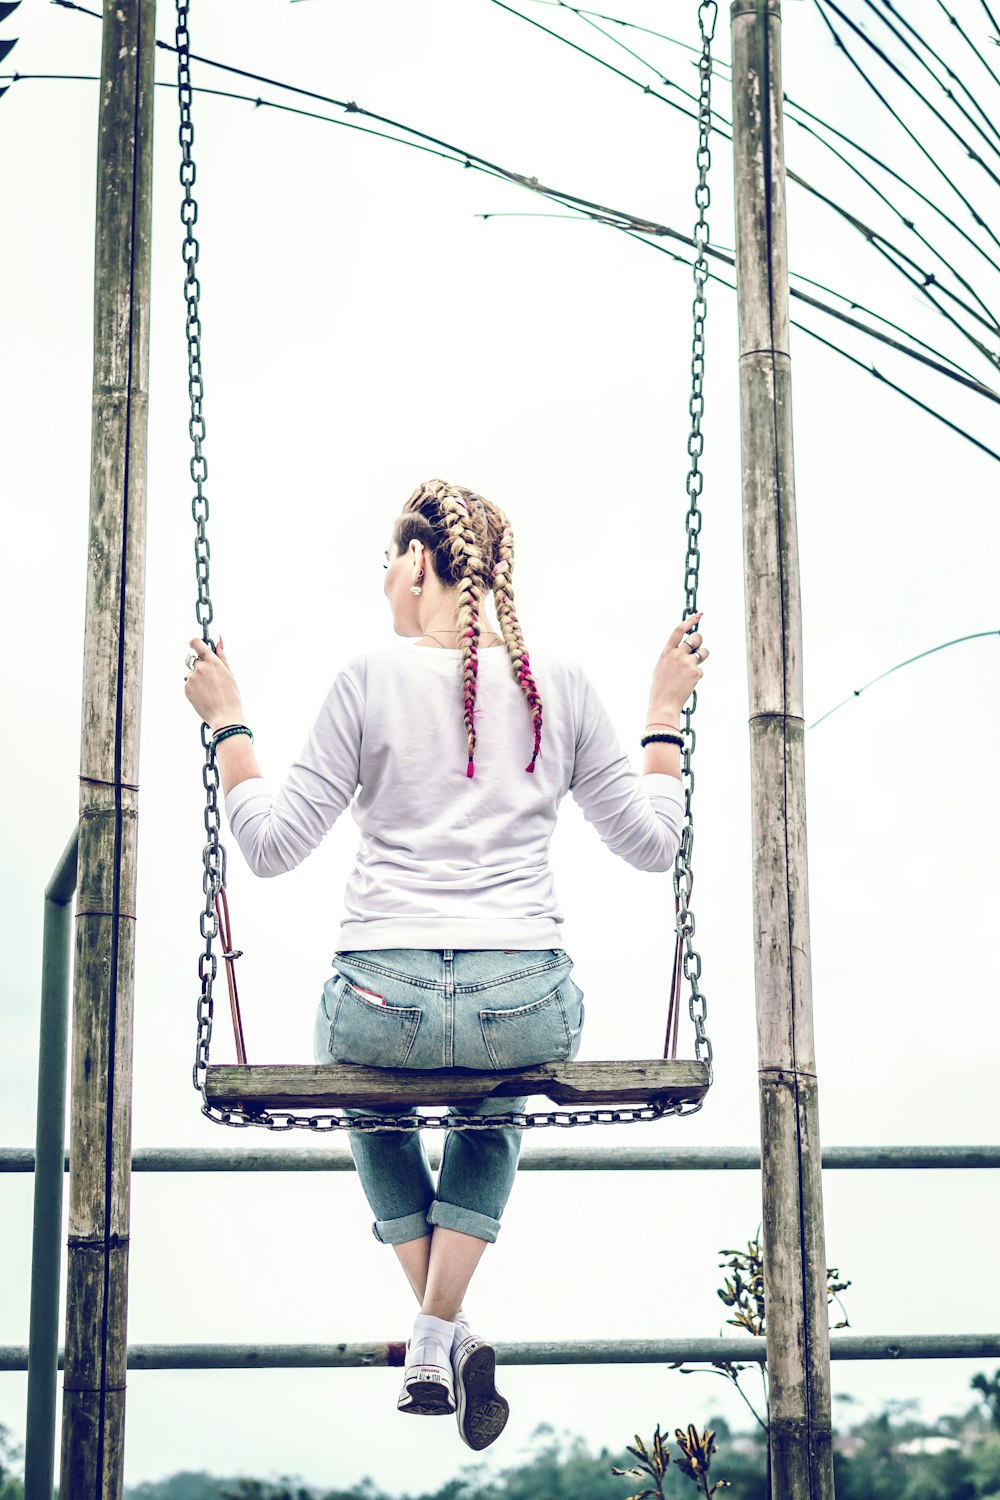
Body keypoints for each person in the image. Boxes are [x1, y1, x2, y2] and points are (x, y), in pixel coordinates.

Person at [183, 478, 709, 1451]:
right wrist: (664, 717)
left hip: (381, 1000)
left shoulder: (365, 681)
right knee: (492, 1103)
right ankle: (438, 1334)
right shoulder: (566, 683)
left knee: (371, 1097)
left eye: (390, 559)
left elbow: (266, 845)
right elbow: (649, 844)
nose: (385, 579)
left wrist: (229, 725)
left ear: (419, 563)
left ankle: (435, 1332)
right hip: (525, 997)